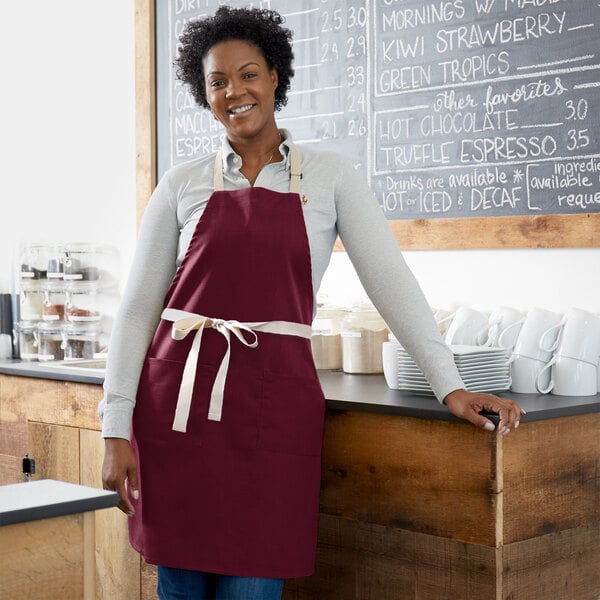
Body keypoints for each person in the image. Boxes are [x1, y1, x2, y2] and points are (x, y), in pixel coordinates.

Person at [100, 6, 525, 600]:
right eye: (217, 82)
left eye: (246, 74)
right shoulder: (180, 183)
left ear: (275, 75)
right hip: (178, 409)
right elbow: (138, 311)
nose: (233, 92)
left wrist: (449, 384)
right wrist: (115, 427)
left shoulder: (329, 177)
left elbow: (392, 283)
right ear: (206, 95)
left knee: (252, 587)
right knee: (180, 586)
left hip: (273, 413)